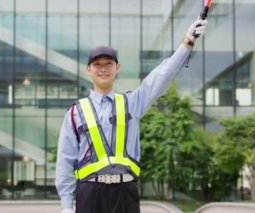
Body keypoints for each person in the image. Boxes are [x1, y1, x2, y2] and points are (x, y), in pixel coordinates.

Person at [55, 17, 208, 213]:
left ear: (117, 68)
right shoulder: (75, 112)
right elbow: (65, 160)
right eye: (97, 64)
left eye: (108, 63)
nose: (103, 69)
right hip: (89, 193)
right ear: (89, 70)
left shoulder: (132, 103)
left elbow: (161, 76)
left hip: (125, 193)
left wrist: (187, 42)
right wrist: (67, 206)